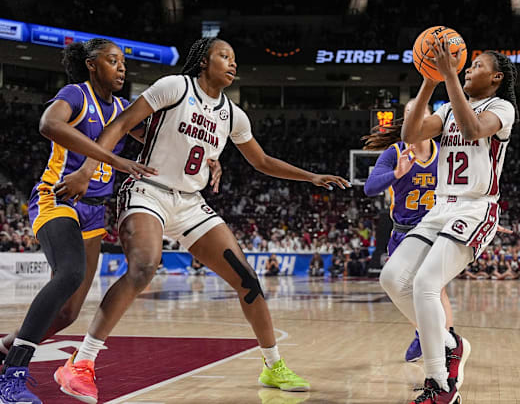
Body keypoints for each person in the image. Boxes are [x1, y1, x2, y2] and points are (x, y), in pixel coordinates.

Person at [53, 38, 349, 403]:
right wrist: (87, 168)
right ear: (204, 61)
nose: (232, 63)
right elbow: (119, 124)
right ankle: (81, 363)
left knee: (248, 280)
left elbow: (262, 161)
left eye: (235, 58)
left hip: (191, 203)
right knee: (144, 267)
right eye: (224, 56)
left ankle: (273, 365)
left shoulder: (233, 114)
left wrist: (312, 177)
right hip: (148, 190)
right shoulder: (175, 86)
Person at [0, 38, 157, 404]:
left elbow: (156, 139)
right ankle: (13, 378)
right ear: (91, 64)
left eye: (123, 63)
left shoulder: (121, 107)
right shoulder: (76, 94)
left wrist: (209, 156)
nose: (121, 68)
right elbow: (48, 124)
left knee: (69, 313)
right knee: (69, 273)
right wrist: (112, 161)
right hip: (57, 200)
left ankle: (6, 346)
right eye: (113, 61)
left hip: (94, 213)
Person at [379, 37, 518, 403]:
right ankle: (449, 342)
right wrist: (429, 79)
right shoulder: (446, 109)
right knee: (392, 278)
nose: (468, 69)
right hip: (440, 208)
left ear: (497, 78)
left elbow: (474, 129)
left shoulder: (502, 108)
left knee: (426, 283)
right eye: (466, 67)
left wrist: (450, 78)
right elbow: (410, 134)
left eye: (476, 67)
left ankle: (441, 385)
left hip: (476, 208)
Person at [363, 99, 454, 363]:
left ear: (430, 121)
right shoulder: (394, 152)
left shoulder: (445, 153)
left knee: (434, 289)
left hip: (435, 230)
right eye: (408, 115)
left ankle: (443, 347)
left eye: (420, 114)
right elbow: (370, 188)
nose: (414, 120)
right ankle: (423, 331)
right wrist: (397, 173)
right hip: (402, 233)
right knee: (400, 286)